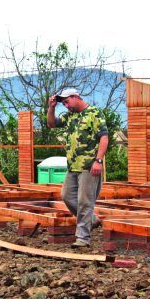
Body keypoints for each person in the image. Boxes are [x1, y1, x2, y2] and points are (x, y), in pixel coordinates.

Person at [47, 88, 109, 248]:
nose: (66, 106)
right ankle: (92, 220)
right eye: (64, 103)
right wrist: (52, 107)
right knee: (67, 196)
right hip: (72, 166)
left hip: (89, 166)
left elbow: (104, 137)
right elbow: (51, 124)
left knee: (84, 202)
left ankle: (83, 238)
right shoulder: (69, 116)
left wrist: (98, 161)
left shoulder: (94, 113)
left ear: (75, 97)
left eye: (67, 102)